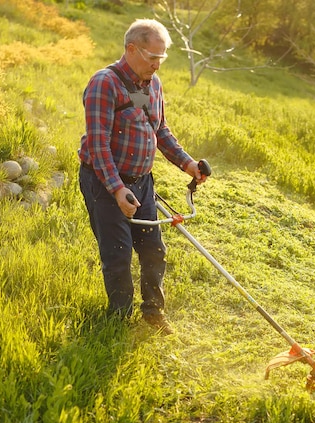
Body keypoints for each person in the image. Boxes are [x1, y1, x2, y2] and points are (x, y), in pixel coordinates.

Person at [78, 18, 207, 334]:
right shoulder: (105, 84)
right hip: (106, 183)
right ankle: (119, 322)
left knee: (154, 250)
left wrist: (188, 164)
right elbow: (97, 145)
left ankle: (153, 312)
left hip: (142, 182)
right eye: (152, 58)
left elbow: (158, 128)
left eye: (161, 59)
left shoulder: (147, 84)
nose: (157, 66)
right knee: (118, 256)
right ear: (131, 49)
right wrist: (117, 190)